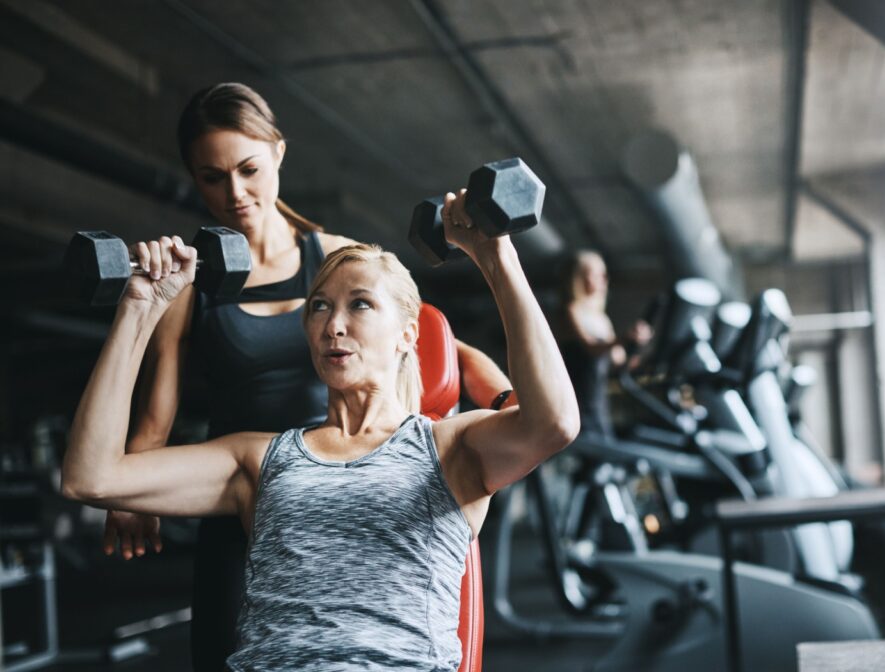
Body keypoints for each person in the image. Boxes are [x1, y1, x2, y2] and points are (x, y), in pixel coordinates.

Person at [62, 191, 580, 670]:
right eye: (319, 307)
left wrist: (495, 257)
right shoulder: (259, 459)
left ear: (407, 334)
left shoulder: (449, 448)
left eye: (360, 303)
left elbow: (554, 422)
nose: (333, 325)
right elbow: (92, 477)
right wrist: (140, 307)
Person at [102, 82, 517, 671]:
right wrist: (129, 490)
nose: (235, 193)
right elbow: (154, 416)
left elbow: (438, 342)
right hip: (241, 487)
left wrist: (507, 402)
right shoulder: (188, 283)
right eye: (213, 178)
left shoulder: (335, 259)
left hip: (342, 485)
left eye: (248, 169)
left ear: (278, 152)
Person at [557, 250, 650, 438]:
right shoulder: (572, 310)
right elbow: (591, 348)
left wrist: (636, 346)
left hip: (596, 397)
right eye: (596, 274)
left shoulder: (601, 318)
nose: (603, 279)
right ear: (579, 278)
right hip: (576, 396)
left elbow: (617, 359)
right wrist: (623, 338)